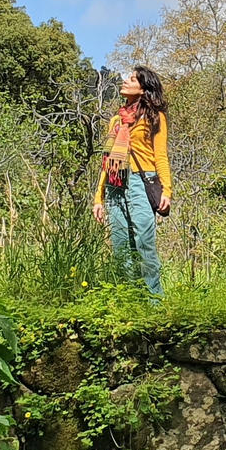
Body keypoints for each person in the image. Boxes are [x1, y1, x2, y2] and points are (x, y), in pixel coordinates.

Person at [93, 65, 170, 296]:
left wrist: (167, 190)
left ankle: (155, 302)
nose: (125, 81)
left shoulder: (155, 117)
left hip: (140, 181)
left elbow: (160, 155)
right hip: (116, 185)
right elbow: (107, 161)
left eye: (133, 79)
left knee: (144, 243)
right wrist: (99, 197)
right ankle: (130, 299)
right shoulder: (117, 120)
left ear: (144, 89)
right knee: (120, 247)